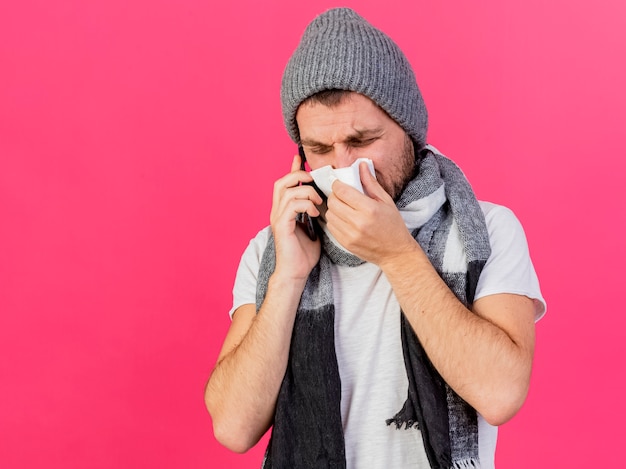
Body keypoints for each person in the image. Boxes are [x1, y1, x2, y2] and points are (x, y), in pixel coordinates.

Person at [205, 7, 545, 469]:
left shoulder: (485, 230)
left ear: (408, 131)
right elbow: (233, 427)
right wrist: (287, 276)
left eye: (362, 140)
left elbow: (501, 394)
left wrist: (397, 254)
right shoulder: (274, 250)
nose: (343, 169)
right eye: (320, 150)